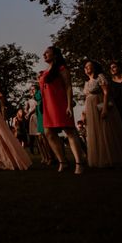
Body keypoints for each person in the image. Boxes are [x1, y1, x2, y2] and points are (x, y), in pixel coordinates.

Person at [38, 46, 86, 174]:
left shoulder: (62, 69)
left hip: (61, 104)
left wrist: (69, 105)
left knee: (70, 131)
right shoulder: (44, 72)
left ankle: (79, 163)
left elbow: (68, 87)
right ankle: (62, 161)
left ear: (55, 55)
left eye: (47, 52)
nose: (44, 54)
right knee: (48, 133)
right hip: (48, 106)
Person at [82, 60, 122, 168]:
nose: (86, 68)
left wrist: (105, 108)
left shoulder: (100, 77)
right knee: (95, 132)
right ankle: (100, 159)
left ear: (94, 67)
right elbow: (86, 98)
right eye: (85, 67)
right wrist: (84, 113)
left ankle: (112, 158)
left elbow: (106, 93)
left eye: (89, 66)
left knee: (105, 131)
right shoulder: (87, 82)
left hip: (99, 105)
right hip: (90, 108)